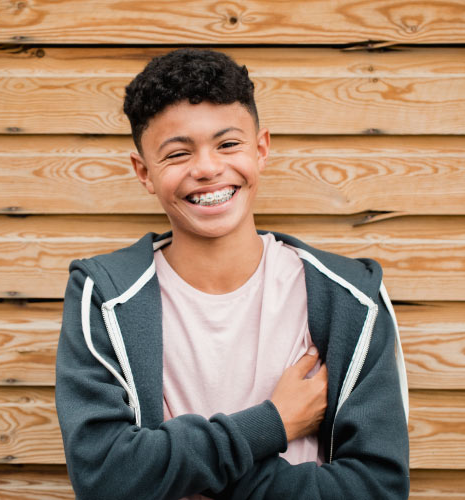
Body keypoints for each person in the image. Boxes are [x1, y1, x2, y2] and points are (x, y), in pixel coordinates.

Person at [55, 48, 409, 499]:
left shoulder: (347, 297)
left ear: (260, 149)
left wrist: (185, 475)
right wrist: (272, 423)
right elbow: (104, 476)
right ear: (143, 172)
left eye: (227, 144)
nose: (206, 168)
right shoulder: (106, 296)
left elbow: (377, 490)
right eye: (178, 153)